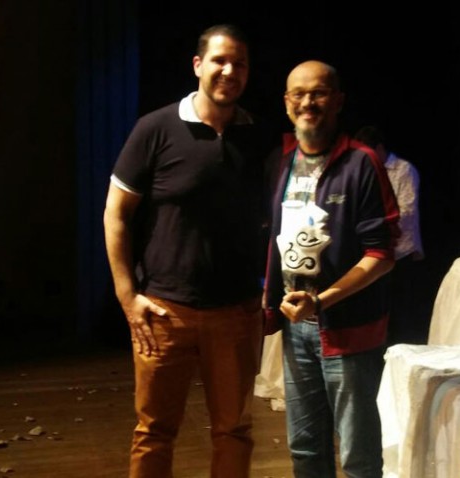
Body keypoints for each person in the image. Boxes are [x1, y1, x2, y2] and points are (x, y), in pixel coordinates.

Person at [103, 24, 273, 478]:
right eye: (220, 60)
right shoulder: (155, 129)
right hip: (164, 311)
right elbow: (116, 213)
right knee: (154, 432)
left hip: (236, 313)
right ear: (198, 65)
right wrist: (127, 296)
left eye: (239, 63)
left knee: (234, 431)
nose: (229, 71)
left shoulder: (260, 137)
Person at [263, 60, 400, 477]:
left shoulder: (362, 163)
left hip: (349, 331)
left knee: (358, 455)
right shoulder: (281, 161)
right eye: (298, 94)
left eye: (319, 93)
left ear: (337, 101)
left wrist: (321, 301)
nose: (308, 102)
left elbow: (381, 255)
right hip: (295, 329)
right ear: (286, 103)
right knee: (305, 449)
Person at [354, 125, 426, 345]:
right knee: (376, 309)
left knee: (400, 310)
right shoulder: (365, 170)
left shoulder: (403, 169)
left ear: (379, 148)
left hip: (400, 250)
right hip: (373, 250)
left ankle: (399, 350)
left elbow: (407, 210)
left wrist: (375, 225)